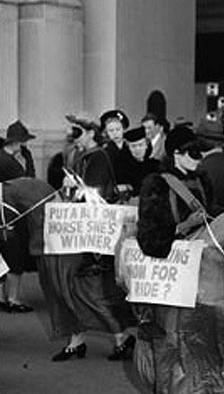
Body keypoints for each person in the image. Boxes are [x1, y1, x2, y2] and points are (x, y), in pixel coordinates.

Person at [134, 124, 224, 394]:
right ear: (176, 154)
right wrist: (181, 229)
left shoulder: (203, 179)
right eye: (192, 153)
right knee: (172, 344)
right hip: (171, 275)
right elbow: (148, 237)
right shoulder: (156, 184)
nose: (198, 159)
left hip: (201, 273)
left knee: (197, 343)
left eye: (200, 153)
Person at [46, 113, 135, 362]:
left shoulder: (98, 157)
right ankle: (77, 340)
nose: (73, 137)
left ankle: (121, 338)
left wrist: (73, 188)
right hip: (82, 230)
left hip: (95, 235)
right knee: (71, 286)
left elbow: (93, 195)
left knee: (90, 290)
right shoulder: (79, 155)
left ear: (91, 133)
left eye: (78, 132)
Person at [0, 120, 37, 313]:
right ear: (16, 142)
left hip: (10, 214)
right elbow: (27, 182)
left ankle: (6, 297)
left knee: (7, 257)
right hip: (11, 214)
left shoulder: (11, 157)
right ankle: (12, 299)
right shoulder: (7, 161)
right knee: (14, 257)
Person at [114, 126, 160, 201]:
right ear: (128, 147)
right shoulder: (120, 166)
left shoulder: (155, 166)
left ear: (146, 145)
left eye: (140, 145)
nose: (138, 149)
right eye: (133, 146)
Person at [100, 109, 130, 181]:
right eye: (111, 130)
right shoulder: (105, 152)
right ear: (106, 133)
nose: (115, 133)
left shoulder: (130, 147)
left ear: (123, 129)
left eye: (118, 129)